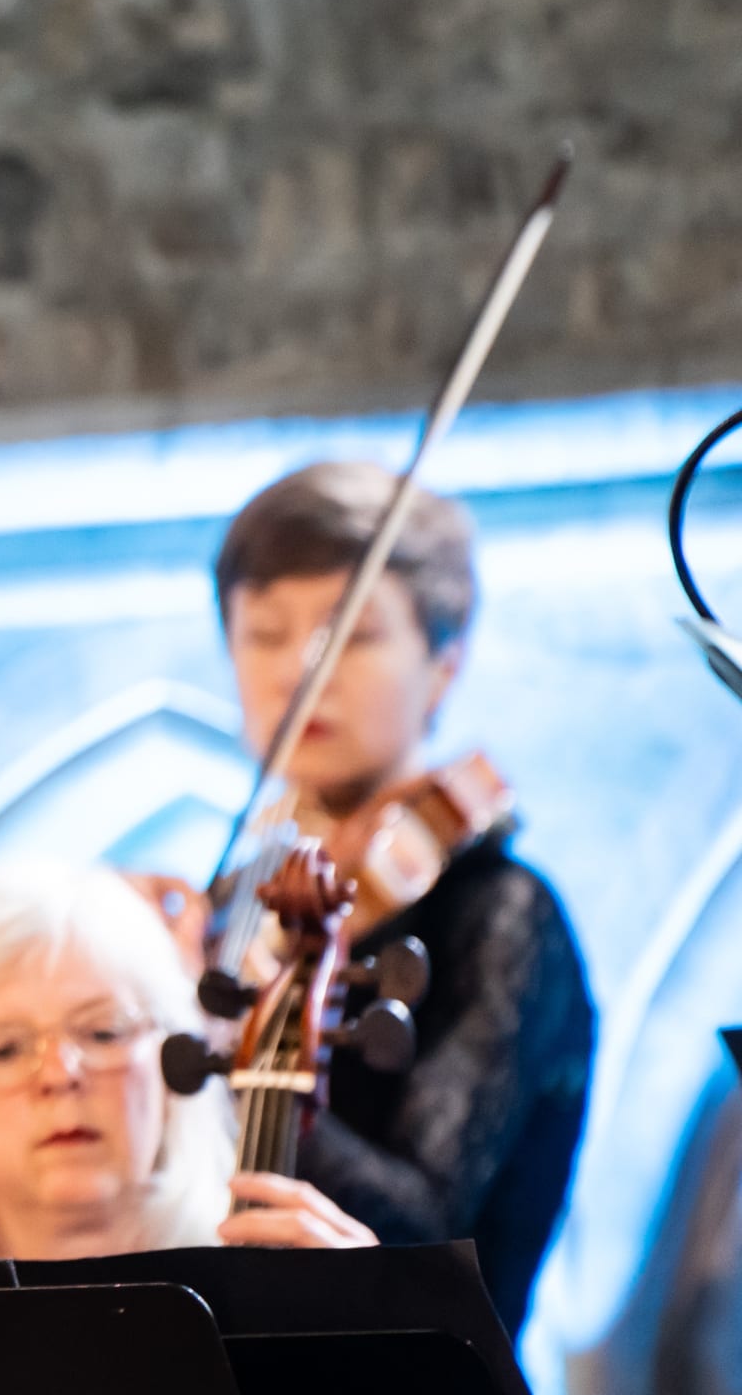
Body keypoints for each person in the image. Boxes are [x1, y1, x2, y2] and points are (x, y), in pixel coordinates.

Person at [203, 462, 594, 1329]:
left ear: (445, 666)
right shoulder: (235, 909)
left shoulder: (499, 914)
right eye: (265, 634)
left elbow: (428, 1230)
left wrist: (261, 1080)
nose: (305, 673)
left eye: (354, 635)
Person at [0, 859, 377, 1265]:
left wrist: (396, 1336)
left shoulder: (283, 1284)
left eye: (104, 1031)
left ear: (174, 1072)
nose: (60, 1074)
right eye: (3, 1049)